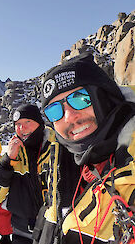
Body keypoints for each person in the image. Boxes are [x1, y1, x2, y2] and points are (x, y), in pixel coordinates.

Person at [37, 53, 135, 244]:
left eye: (80, 98)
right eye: (54, 110)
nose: (69, 117)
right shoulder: (65, 164)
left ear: (105, 95)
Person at [0, 104, 55, 244]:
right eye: (18, 124)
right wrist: (7, 161)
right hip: (22, 234)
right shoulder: (12, 155)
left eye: (28, 122)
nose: (22, 128)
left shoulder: (58, 147)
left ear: (39, 123)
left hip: (57, 233)